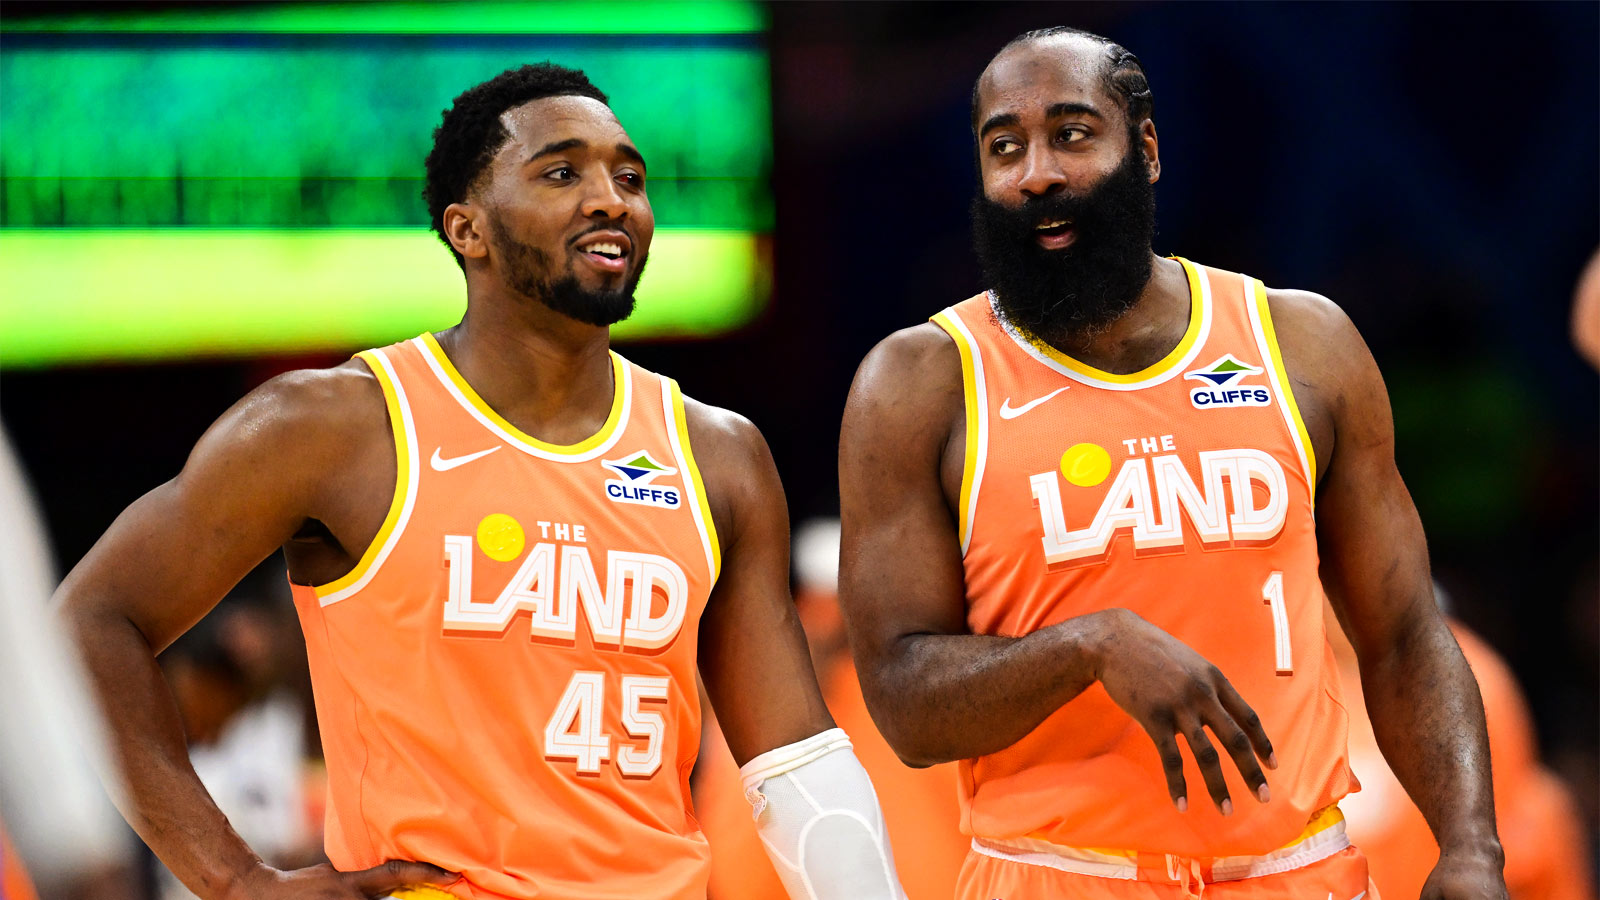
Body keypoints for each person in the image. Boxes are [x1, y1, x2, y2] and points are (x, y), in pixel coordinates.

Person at [58, 63, 905, 900]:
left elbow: (794, 764)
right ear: (468, 230)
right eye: (562, 173)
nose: (611, 199)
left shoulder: (717, 455)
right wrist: (235, 878)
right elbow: (90, 620)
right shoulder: (333, 427)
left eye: (630, 177)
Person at [838, 27, 1507, 899]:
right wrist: (1089, 646)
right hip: (1057, 878)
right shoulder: (919, 384)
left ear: (1145, 149)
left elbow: (1405, 634)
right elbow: (903, 706)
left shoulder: (1300, 344)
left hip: (1298, 873)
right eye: (1005, 148)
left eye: (1071, 134)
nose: (1037, 172)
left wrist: (1469, 848)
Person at [694, 519, 966, 899]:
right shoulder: (744, 714)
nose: (828, 621)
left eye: (837, 607)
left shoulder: (911, 702)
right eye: (817, 606)